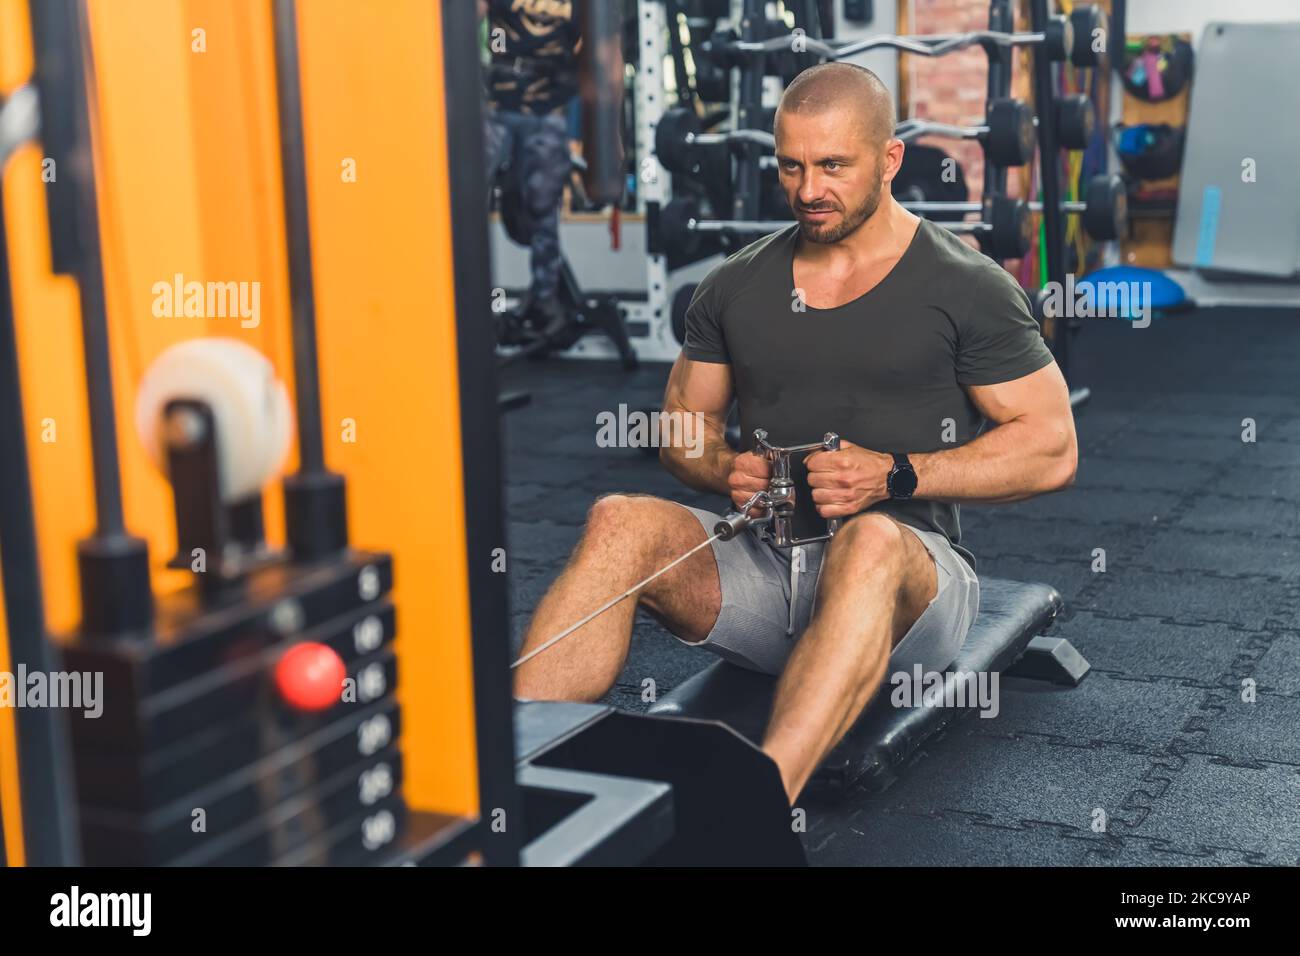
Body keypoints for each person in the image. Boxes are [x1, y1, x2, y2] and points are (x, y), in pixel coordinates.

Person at [513, 63, 1078, 804]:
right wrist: (724, 469)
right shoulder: (738, 284)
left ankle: (762, 805)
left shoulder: (964, 285)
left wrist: (897, 475)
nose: (809, 189)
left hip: (909, 583)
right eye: (792, 166)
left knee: (870, 539)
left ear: (888, 159)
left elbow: (1051, 444)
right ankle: (504, 778)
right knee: (619, 522)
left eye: (834, 166)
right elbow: (684, 428)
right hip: (768, 569)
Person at [478, 0, 582, 336]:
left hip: (547, 112)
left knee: (542, 208)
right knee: (466, 199)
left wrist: (584, 132)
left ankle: (544, 300)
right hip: (497, 107)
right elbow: (466, 20)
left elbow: (591, 52)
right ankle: (464, 300)